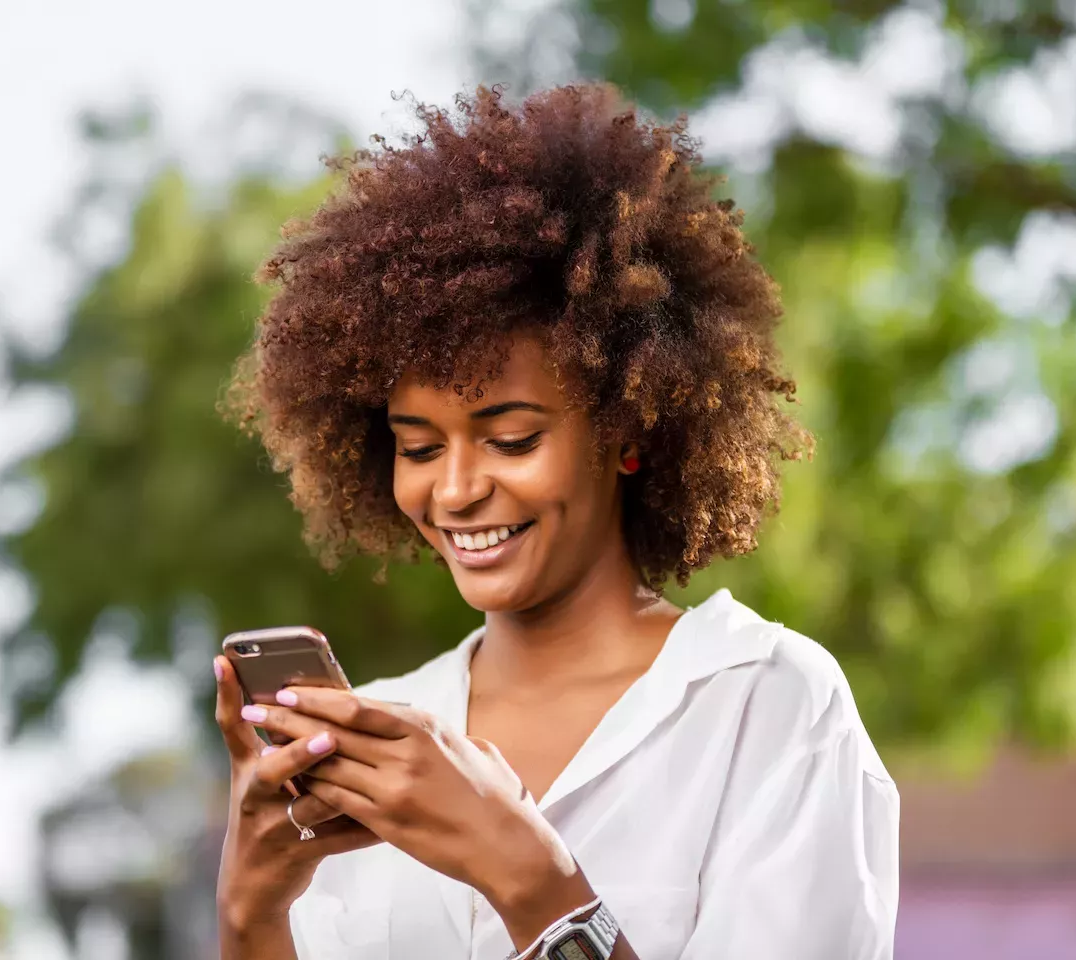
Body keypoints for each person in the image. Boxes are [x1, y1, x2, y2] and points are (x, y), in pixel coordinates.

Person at [213, 82, 899, 960]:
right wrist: (251, 910)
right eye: (418, 448)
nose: (455, 491)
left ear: (627, 430)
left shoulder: (766, 704)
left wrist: (533, 880)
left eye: (511, 438)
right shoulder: (376, 738)